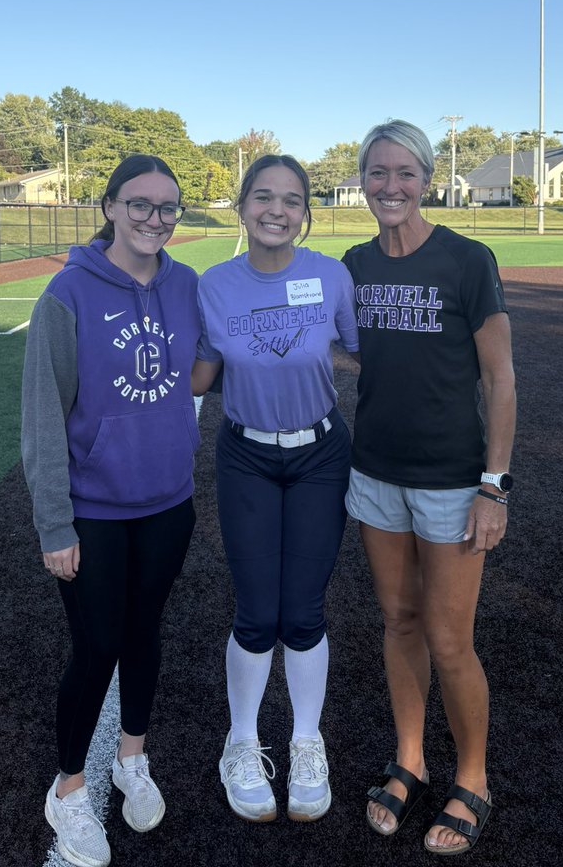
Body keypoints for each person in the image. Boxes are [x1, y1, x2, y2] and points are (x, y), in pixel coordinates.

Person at [22, 154, 201, 867]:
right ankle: (69, 789)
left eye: (168, 208)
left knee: (144, 635)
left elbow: (211, 365)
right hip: (93, 512)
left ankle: (131, 757)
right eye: (140, 205)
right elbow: (41, 419)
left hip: (168, 504)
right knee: (96, 647)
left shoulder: (187, 286)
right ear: (109, 207)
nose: (155, 219)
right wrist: (54, 524)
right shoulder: (66, 294)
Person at [343, 120, 516, 857]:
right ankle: (410, 759)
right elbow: (335, 347)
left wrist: (494, 487)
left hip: (452, 483)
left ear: (427, 176)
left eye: (404, 172)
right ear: (363, 179)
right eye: (377, 172)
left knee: (450, 640)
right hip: (376, 475)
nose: (391, 186)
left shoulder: (468, 259)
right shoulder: (351, 264)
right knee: (399, 622)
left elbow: (500, 377)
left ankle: (472, 776)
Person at [192, 154, 359, 824]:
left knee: (304, 611)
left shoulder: (330, 276)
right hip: (248, 458)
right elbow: (200, 371)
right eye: (264, 196)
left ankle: (305, 740)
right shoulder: (213, 285)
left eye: (292, 199)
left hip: (320, 455)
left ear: (306, 213)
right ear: (243, 207)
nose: (277, 209)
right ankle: (241, 742)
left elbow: (361, 351)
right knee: (259, 612)